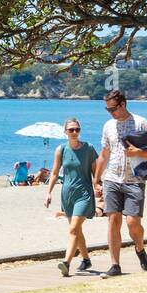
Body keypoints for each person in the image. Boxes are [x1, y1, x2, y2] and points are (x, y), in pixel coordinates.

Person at [94, 90, 147, 278]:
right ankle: (115, 265)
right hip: (112, 179)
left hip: (135, 181)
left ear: (123, 104)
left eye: (113, 109)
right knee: (113, 221)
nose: (110, 113)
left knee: (133, 223)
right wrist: (96, 178)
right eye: (107, 110)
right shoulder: (108, 126)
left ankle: (139, 248)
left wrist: (138, 152)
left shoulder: (141, 122)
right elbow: (104, 154)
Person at [43, 118, 98, 276]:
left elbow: (96, 172)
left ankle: (66, 262)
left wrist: (99, 187)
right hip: (67, 195)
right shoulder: (61, 149)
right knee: (76, 229)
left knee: (73, 228)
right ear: (65, 132)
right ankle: (86, 259)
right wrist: (48, 193)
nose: (74, 132)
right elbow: (54, 173)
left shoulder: (89, 149)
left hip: (84, 194)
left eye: (77, 129)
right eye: (71, 130)